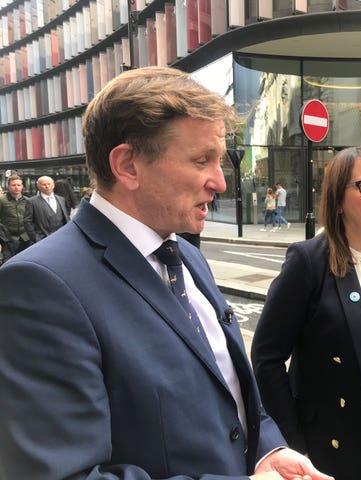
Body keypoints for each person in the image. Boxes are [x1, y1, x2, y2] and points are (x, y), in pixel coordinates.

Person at [0, 66, 333, 480]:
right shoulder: (40, 286)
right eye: (201, 160)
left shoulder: (186, 256)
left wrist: (267, 450)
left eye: (220, 159)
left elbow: (229, 389)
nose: (220, 182)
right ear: (128, 165)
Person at [251, 145, 361, 480]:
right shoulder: (309, 262)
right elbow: (267, 357)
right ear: (337, 202)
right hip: (337, 442)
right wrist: (294, 440)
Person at [23, 175, 70, 243]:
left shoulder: (61, 199)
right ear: (38, 187)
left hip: (62, 238)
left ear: (53, 185)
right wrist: (36, 238)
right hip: (43, 240)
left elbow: (66, 218)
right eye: (44, 184)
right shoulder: (32, 201)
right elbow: (27, 221)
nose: (47, 186)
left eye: (49, 184)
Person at [0, 174, 31, 260]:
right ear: (8, 186)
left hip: (25, 239)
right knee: (8, 263)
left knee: (25, 262)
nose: (16, 187)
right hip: (7, 240)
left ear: (22, 187)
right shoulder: (2, 200)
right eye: (13, 185)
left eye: (18, 185)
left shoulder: (28, 201)